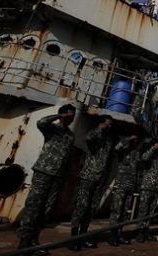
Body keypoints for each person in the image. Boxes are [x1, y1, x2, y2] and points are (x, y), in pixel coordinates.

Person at [17, 104, 76, 254]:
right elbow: (41, 122)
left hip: (58, 176)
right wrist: (60, 116)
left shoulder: (70, 135)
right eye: (70, 115)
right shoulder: (51, 128)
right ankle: (24, 241)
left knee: (46, 209)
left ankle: (34, 239)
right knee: (34, 206)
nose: (72, 118)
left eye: (73, 115)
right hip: (44, 171)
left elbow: (67, 157)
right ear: (63, 115)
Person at [68, 115, 114, 251]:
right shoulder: (95, 136)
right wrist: (100, 128)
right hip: (88, 176)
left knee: (90, 209)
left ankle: (82, 237)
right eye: (107, 124)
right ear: (101, 123)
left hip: (99, 179)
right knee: (81, 207)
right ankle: (73, 239)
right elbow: (89, 138)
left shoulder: (107, 141)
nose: (109, 126)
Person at [108, 133, 140, 246]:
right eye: (134, 139)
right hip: (121, 185)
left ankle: (119, 234)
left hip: (130, 187)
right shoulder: (123, 151)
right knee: (116, 211)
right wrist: (127, 138)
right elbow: (116, 148)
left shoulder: (136, 153)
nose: (135, 141)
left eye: (136, 140)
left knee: (124, 213)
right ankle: (112, 236)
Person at [136, 137, 158, 242]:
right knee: (143, 211)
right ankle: (140, 233)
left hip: (155, 189)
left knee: (150, 212)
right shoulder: (148, 155)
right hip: (146, 187)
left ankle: (146, 232)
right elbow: (144, 158)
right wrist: (152, 148)